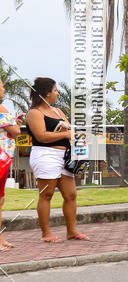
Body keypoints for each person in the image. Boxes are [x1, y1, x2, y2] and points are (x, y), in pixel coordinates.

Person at [25, 77, 89, 243]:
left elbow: (71, 128)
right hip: (45, 155)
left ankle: (72, 231)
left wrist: (71, 133)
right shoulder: (34, 113)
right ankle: (46, 233)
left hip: (64, 156)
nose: (57, 93)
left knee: (71, 194)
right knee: (47, 194)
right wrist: (65, 133)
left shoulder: (58, 112)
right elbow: (41, 136)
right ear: (47, 93)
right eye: (55, 90)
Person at [0, 78, 23, 251]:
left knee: (1, 200)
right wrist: (16, 124)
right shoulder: (1, 109)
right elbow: (15, 131)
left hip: (4, 158)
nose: (4, 88)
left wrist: (15, 124)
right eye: (1, 85)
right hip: (2, 158)